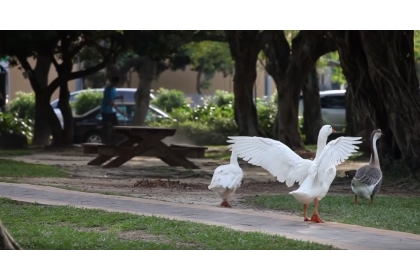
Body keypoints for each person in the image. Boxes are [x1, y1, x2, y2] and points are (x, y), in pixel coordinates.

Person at [100, 76, 125, 145]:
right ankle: (107, 142)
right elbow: (110, 101)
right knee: (108, 126)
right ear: (113, 82)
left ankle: (115, 140)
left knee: (115, 125)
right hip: (105, 110)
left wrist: (119, 97)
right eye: (116, 83)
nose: (117, 85)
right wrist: (120, 111)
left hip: (110, 110)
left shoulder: (113, 89)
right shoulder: (109, 89)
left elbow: (112, 98)